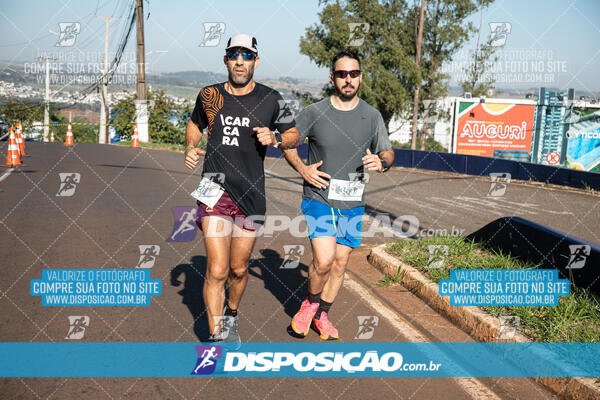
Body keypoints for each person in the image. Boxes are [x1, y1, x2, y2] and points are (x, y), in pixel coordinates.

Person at [184, 34, 299, 344]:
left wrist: (275, 139)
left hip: (251, 195)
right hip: (214, 191)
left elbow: (293, 135)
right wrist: (191, 146)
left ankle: (232, 312)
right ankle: (216, 333)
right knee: (217, 269)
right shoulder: (209, 95)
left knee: (238, 269)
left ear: (255, 61)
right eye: (234, 54)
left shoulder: (271, 99)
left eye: (246, 55)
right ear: (225, 59)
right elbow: (195, 124)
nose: (239, 60)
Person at [283, 50, 394, 340]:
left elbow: (388, 152)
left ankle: (322, 316)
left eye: (353, 74)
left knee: (341, 263)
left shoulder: (371, 116)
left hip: (353, 202)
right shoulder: (315, 112)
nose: (348, 79)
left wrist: (381, 163)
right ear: (332, 77)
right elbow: (288, 143)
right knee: (324, 259)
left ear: (360, 77)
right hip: (319, 197)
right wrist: (303, 170)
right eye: (342, 74)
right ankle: (309, 304)